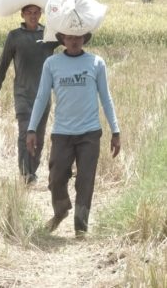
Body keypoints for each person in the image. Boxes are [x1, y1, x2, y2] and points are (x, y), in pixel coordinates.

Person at [26, 32, 121, 237]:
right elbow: (42, 97)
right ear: (62, 40)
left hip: (89, 134)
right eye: (69, 37)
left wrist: (116, 130)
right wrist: (32, 129)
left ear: (85, 38)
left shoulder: (96, 63)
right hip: (62, 133)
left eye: (78, 36)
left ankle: (81, 226)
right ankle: (60, 211)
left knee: (85, 180)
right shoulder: (52, 64)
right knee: (56, 177)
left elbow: (106, 98)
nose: (74, 41)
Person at [0, 4, 59, 184]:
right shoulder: (15, 36)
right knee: (25, 133)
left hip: (43, 95)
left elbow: (71, 40)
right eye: (29, 13)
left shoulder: (49, 35)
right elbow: (3, 65)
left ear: (41, 14)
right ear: (22, 14)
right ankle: (26, 173)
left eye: (36, 13)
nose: (33, 16)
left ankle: (32, 171)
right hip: (22, 94)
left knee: (39, 137)